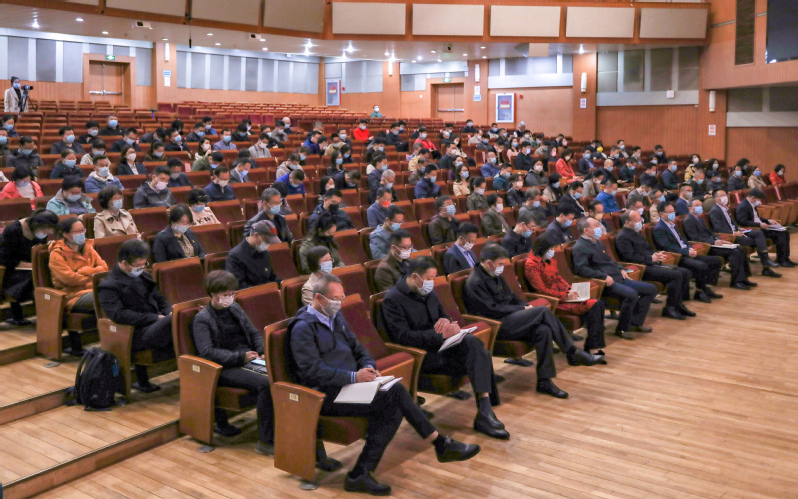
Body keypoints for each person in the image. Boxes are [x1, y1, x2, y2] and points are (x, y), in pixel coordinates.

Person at [290, 273, 480, 495]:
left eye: (341, 298)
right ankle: (439, 445)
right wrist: (354, 377)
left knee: (393, 402)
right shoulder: (302, 327)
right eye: (335, 299)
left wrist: (368, 366)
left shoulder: (334, 316)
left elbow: (358, 348)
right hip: (324, 395)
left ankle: (361, 473)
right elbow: (312, 371)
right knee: (395, 395)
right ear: (318, 298)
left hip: (350, 386)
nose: (339, 303)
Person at [382, 257, 508, 439]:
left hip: (443, 347)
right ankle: (485, 412)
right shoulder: (392, 300)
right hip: (424, 357)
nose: (432, 282)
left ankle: (485, 410)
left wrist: (448, 322)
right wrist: (440, 335)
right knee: (479, 354)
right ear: (415, 277)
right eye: (429, 278)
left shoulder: (427, 291)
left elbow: (443, 316)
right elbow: (403, 337)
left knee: (473, 343)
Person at [465, 244, 602, 398]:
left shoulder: (493, 274)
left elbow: (511, 296)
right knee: (543, 310)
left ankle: (544, 381)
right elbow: (491, 310)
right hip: (496, 326)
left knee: (543, 331)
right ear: (489, 263)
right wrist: (521, 309)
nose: (502, 268)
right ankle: (571, 351)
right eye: (500, 264)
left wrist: (525, 306)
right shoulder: (475, 282)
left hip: (511, 318)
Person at [192, 270, 275, 452]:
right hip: (223, 367)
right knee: (266, 384)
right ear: (213, 294)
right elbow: (207, 352)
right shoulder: (202, 319)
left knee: (281, 374)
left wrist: (262, 351)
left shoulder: (235, 308)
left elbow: (253, 332)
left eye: (232, 293)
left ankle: (279, 430)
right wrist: (240, 357)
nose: (230, 297)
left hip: (247, 358)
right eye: (226, 294)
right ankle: (265, 441)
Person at [98, 239, 172, 392]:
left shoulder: (144, 276)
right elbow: (119, 315)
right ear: (124, 263)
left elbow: (160, 298)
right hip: (134, 333)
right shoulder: (108, 285)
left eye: (144, 264)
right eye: (138, 266)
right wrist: (156, 318)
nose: (142, 268)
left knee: (180, 316)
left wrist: (168, 311)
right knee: (175, 320)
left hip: (155, 325)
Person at [572, 217, 657, 339]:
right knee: (631, 294)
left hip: (617, 276)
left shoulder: (597, 242)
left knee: (651, 289)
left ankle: (635, 323)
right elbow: (581, 269)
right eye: (595, 226)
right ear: (586, 230)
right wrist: (603, 276)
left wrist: (620, 268)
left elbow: (609, 261)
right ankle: (622, 328)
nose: (599, 228)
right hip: (605, 283)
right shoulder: (579, 247)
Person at [525, 233, 607, 356]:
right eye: (552, 249)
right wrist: (565, 296)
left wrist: (570, 289)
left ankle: (593, 346)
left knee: (598, 304)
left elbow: (558, 278)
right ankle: (592, 348)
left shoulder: (549, 260)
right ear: (543, 248)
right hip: (555, 301)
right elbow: (541, 290)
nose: (553, 251)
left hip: (565, 294)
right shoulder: (531, 264)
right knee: (595, 305)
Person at [615, 210, 695, 320]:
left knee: (685, 272)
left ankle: (678, 304)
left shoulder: (637, 232)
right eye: (637, 220)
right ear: (627, 222)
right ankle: (670, 308)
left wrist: (656, 254)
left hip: (650, 263)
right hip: (642, 268)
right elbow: (629, 257)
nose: (640, 222)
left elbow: (647, 249)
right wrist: (650, 258)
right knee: (676, 275)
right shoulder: (623, 237)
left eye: (640, 219)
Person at [653, 202, 724, 302]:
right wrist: (686, 252)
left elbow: (683, 240)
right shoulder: (659, 228)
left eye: (673, 211)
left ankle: (705, 287)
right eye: (669, 212)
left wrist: (690, 247)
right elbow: (668, 247)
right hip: (678, 257)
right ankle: (699, 291)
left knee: (716, 260)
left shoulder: (672, 224)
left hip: (686, 252)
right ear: (661, 214)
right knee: (701, 266)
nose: (672, 214)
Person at [0, 209, 58, 325]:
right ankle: (44, 317)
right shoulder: (13, 231)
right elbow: (4, 258)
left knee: (49, 274)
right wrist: (29, 265)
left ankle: (51, 315)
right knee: (38, 279)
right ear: (36, 224)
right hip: (11, 271)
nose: (47, 232)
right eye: (46, 229)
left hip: (31, 269)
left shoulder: (39, 230)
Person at [683, 198, 756, 290]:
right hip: (707, 247)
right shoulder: (688, 221)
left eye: (700, 205)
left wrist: (719, 240)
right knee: (735, 252)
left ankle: (744, 278)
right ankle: (736, 281)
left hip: (714, 243)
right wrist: (713, 242)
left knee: (741, 249)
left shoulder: (699, 219)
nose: (700, 207)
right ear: (690, 208)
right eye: (697, 206)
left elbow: (710, 233)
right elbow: (695, 238)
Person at [708, 189, 781, 276]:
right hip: (730, 237)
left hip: (737, 232)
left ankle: (766, 263)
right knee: (759, 241)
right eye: (721, 196)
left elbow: (730, 223)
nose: (725, 197)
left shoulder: (725, 209)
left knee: (758, 233)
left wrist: (738, 228)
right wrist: (733, 233)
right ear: (716, 199)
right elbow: (718, 228)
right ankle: (766, 265)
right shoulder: (715, 211)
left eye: (725, 195)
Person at [48, 217, 108, 319]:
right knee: (107, 298)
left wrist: (84, 271)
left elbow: (104, 268)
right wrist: (93, 278)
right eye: (77, 232)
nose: (81, 234)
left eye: (83, 230)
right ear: (65, 234)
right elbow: (69, 279)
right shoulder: (57, 254)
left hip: (94, 289)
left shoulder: (88, 247)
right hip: (74, 295)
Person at [735, 188, 795, 267]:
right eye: (758, 199)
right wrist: (759, 225)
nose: (759, 202)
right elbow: (743, 222)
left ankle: (786, 258)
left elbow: (756, 218)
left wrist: (768, 220)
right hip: (754, 229)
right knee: (780, 234)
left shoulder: (751, 204)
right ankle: (782, 260)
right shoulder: (743, 206)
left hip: (760, 227)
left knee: (785, 232)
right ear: (753, 197)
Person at [225, 221, 282, 289]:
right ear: (256, 235)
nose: (269, 244)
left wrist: (282, 285)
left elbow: (271, 277)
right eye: (267, 241)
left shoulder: (263, 251)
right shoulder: (235, 256)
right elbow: (240, 287)